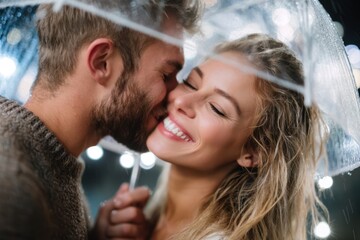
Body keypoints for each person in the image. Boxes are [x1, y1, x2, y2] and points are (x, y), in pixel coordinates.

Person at [0, 1, 201, 239]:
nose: (175, 95)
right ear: (101, 62)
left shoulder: (57, 171)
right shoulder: (11, 186)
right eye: (167, 75)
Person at [112, 33, 328, 239]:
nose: (181, 102)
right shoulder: (143, 218)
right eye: (190, 83)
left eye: (216, 108)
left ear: (253, 152)